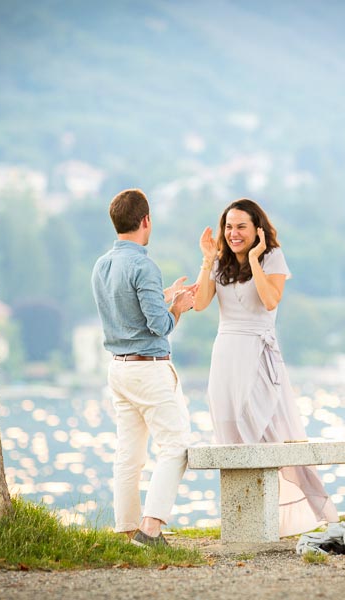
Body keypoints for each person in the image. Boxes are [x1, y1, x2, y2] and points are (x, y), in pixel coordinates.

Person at [193, 198, 338, 536]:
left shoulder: (272, 257)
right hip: (225, 355)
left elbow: (271, 299)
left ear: (257, 229)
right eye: (228, 227)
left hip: (258, 353)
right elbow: (200, 304)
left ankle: (293, 517)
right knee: (229, 431)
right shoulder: (220, 262)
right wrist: (207, 260)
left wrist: (255, 259)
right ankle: (244, 520)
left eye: (241, 226)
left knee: (269, 432)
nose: (233, 233)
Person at [91, 188, 197, 548]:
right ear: (146, 220)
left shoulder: (102, 265)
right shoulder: (143, 265)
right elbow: (160, 327)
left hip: (118, 370)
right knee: (176, 446)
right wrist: (179, 306)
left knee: (129, 453)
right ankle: (150, 531)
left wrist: (164, 294)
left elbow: (126, 309)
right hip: (148, 370)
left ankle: (126, 530)